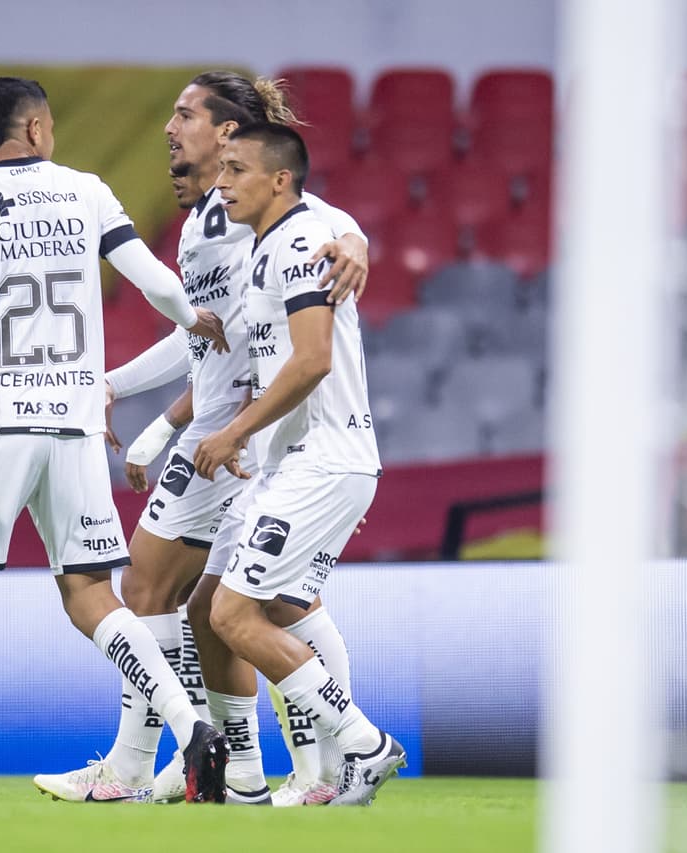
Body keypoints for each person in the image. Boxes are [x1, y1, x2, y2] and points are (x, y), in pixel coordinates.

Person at [0, 77, 231, 803]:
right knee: (92, 591)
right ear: (36, 130)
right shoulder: (87, 192)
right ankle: (193, 727)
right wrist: (195, 320)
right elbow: (155, 280)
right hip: (73, 423)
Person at [32, 71, 367, 806]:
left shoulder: (240, 215)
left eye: (185, 116)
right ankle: (244, 770)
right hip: (231, 433)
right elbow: (210, 340)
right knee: (243, 606)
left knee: (173, 588)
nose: (169, 130)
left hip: (241, 441)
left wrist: (355, 240)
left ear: (226, 135)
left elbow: (322, 225)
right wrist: (150, 412)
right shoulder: (215, 222)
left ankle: (165, 767)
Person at [193, 122, 404, 807]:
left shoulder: (300, 241)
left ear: (279, 179)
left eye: (236, 169)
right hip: (302, 461)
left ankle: (363, 745)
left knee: (231, 614)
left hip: (323, 458)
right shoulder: (270, 244)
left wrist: (233, 433)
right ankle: (326, 775)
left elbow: (313, 360)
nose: (221, 182)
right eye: (220, 168)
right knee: (283, 604)